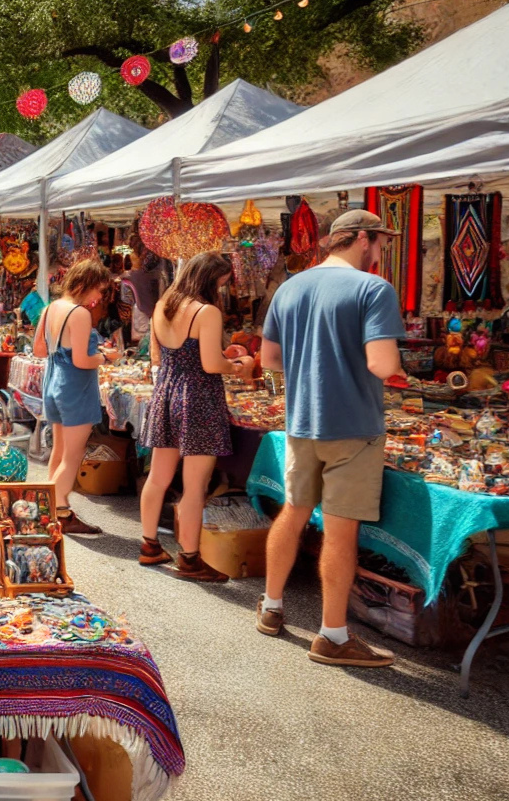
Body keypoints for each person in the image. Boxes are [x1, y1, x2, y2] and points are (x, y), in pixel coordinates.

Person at [258, 210, 405, 667]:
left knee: (293, 512)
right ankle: (332, 635)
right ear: (361, 238)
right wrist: (402, 373)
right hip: (354, 427)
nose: (380, 252)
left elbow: (269, 360)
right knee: (341, 531)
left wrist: (313, 363)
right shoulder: (373, 289)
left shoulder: (290, 287)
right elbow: (383, 364)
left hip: (302, 422)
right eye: (379, 242)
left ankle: (270, 607)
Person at [137, 251, 254, 580]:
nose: (223, 288)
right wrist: (238, 366)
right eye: (222, 282)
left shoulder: (165, 304)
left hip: (167, 393)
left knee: (158, 477)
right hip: (198, 399)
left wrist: (220, 355)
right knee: (195, 485)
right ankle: (189, 558)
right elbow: (209, 366)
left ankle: (149, 545)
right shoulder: (207, 311)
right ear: (211, 280)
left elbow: (169, 354)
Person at [32, 259, 116, 536]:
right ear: (85, 284)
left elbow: (39, 351)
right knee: (73, 454)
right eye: (99, 290)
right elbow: (83, 360)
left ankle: (61, 511)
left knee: (59, 450)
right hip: (74, 387)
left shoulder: (51, 308)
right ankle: (46, 511)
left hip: (53, 381)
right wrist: (105, 357)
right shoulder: (78, 313)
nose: (99, 298)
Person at [122, 248, 163, 347]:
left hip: (141, 311)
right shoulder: (155, 275)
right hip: (156, 311)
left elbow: (126, 299)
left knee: (144, 342)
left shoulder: (129, 277)